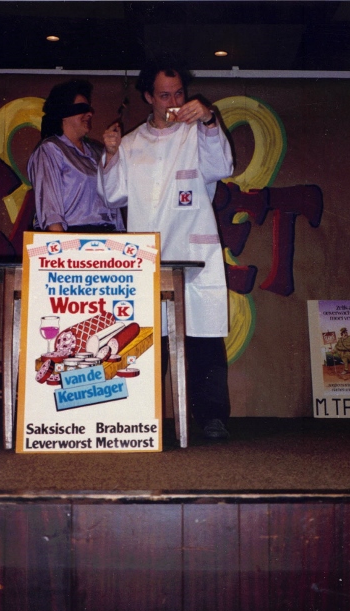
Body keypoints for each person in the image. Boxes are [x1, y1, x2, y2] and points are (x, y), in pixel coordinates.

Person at [97, 58, 233, 439]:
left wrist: (209, 120)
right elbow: (112, 195)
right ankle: (145, 418)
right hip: (149, 257)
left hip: (194, 251)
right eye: (164, 96)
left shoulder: (197, 132)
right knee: (147, 338)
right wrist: (111, 154)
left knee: (204, 337)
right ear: (148, 97)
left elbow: (223, 166)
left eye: (179, 94)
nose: (174, 102)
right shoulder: (131, 143)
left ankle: (212, 417)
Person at [28, 78, 125, 233]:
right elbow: (50, 210)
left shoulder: (97, 151)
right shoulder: (51, 150)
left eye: (89, 108)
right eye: (82, 108)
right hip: (72, 237)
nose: (90, 113)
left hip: (107, 236)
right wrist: (60, 244)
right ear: (63, 113)